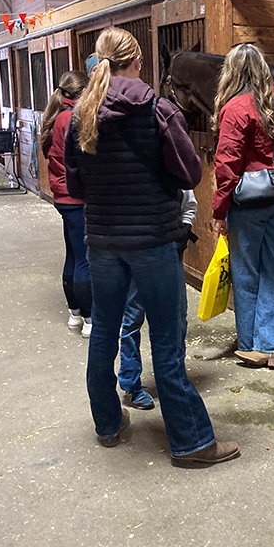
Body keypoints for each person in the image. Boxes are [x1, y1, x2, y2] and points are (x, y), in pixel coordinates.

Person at [64, 27, 238, 467]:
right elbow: (187, 174)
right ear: (137, 61)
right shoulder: (158, 111)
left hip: (103, 242)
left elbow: (77, 184)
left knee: (103, 330)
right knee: (166, 341)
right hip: (154, 244)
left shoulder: (81, 115)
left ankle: (108, 423)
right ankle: (191, 442)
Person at [211, 44, 274, 369]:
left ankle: (253, 345)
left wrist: (219, 212)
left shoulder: (235, 109)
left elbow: (226, 167)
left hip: (247, 205)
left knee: (246, 272)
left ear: (232, 72)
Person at [118, 189, 198, 410]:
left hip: (169, 251)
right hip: (136, 249)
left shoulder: (172, 160)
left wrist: (183, 231)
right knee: (133, 318)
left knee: (177, 318)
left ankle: (175, 377)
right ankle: (131, 384)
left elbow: (188, 202)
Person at [40, 71, 93, 336]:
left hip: (62, 197)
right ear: (82, 93)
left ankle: (74, 313)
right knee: (84, 258)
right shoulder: (73, 118)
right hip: (76, 197)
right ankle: (90, 318)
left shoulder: (56, 117)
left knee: (72, 254)